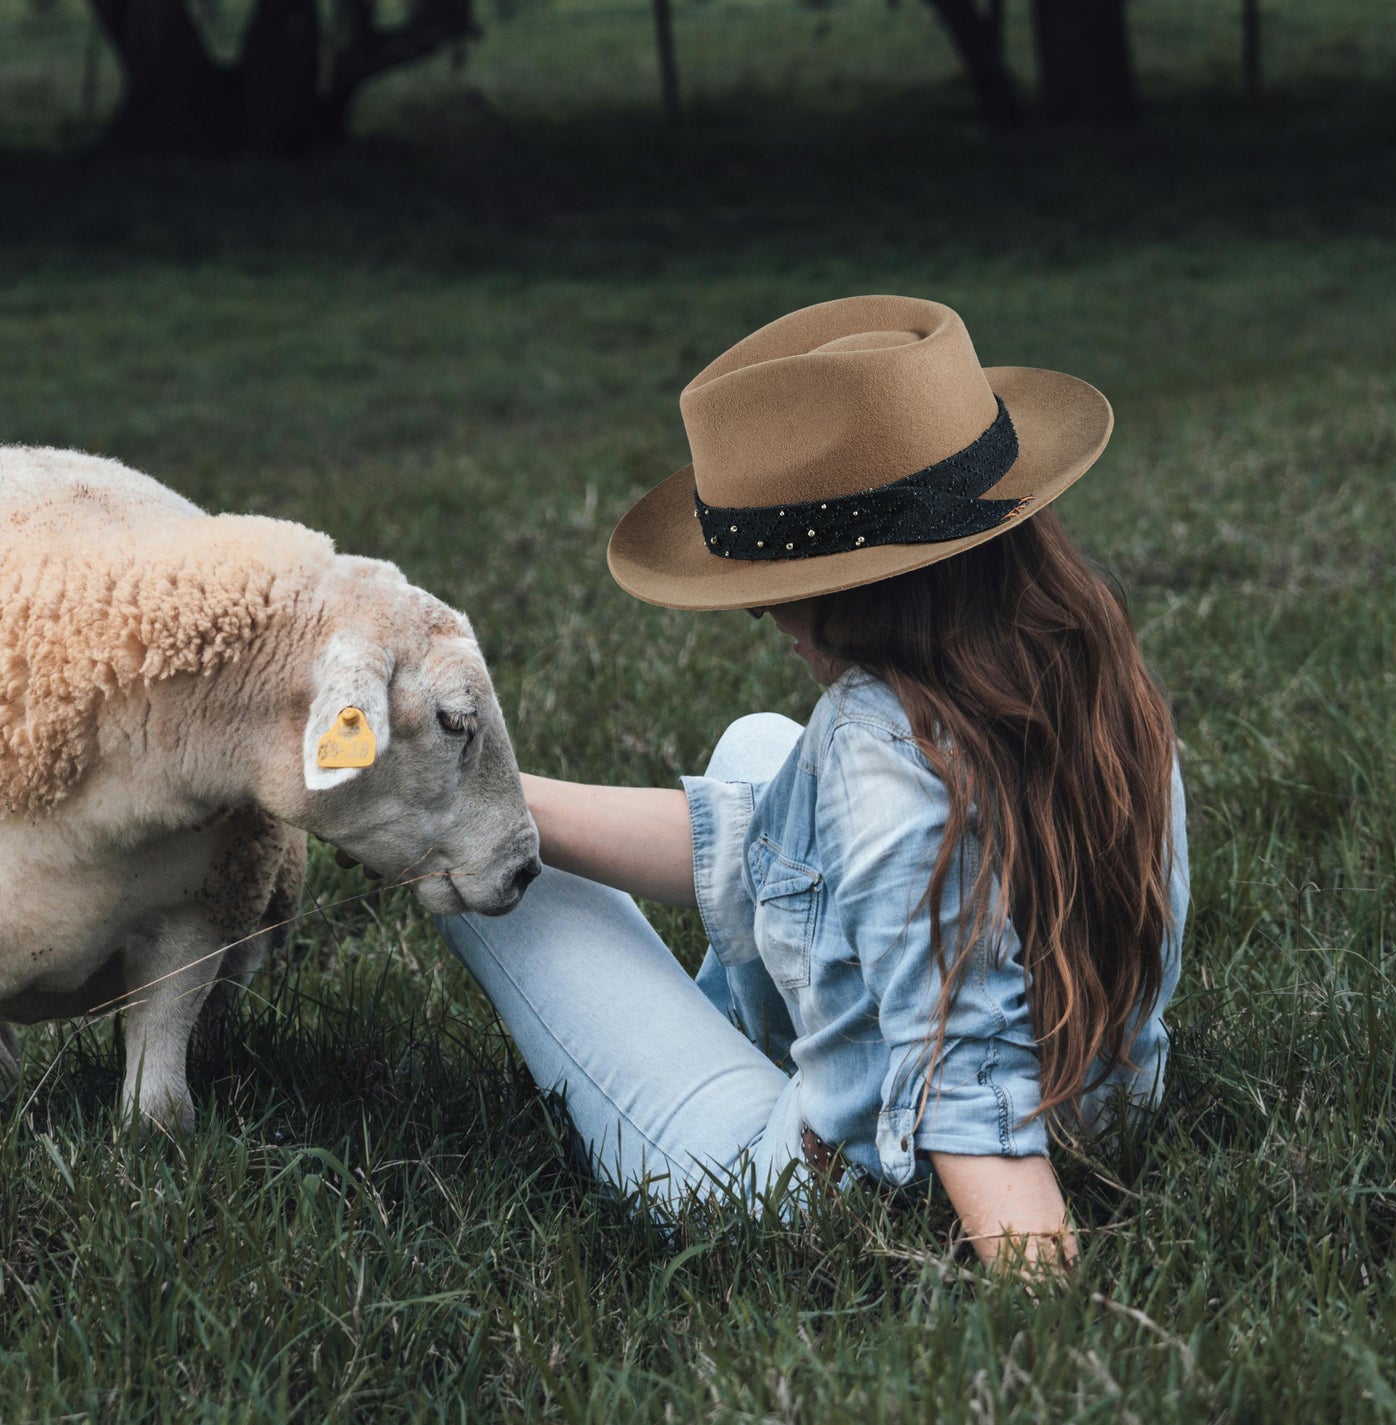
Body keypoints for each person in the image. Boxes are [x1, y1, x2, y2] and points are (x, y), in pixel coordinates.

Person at [437, 294, 1189, 1274]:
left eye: (769, 590)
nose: (760, 614)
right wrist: (506, 794)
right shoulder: (1080, 653)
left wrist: (1045, 1303)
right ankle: (705, 1012)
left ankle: (719, 1078)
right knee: (754, 743)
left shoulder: (888, 754)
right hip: (1097, 1100)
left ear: (857, 579)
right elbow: (797, 850)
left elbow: (964, 1071)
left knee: (467, 861)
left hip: (838, 1181)